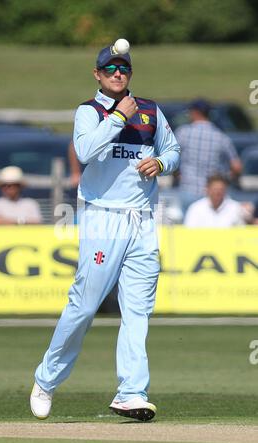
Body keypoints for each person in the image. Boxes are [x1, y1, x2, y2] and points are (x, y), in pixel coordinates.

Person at [30, 40, 180, 422]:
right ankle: (46, 380)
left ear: (130, 73)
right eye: (110, 69)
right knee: (84, 306)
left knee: (138, 311)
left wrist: (161, 163)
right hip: (103, 217)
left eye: (123, 69)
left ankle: (131, 392)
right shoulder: (89, 111)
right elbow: (85, 151)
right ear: (97, 75)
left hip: (144, 220)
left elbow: (174, 149)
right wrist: (116, 117)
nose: (118, 74)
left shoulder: (150, 111)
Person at [175, 98, 243, 212]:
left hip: (188, 189)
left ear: (195, 112)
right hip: (213, 193)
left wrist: (177, 175)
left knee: (187, 227)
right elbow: (237, 166)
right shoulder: (220, 136)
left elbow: (172, 158)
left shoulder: (183, 133)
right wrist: (225, 180)